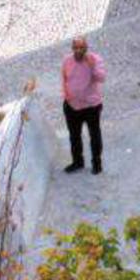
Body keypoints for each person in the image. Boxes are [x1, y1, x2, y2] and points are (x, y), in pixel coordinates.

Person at [60, 36, 105, 175]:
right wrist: (66, 95)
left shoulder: (95, 59)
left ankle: (96, 163)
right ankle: (77, 162)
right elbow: (64, 78)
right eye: (76, 48)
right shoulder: (67, 61)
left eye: (81, 48)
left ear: (86, 48)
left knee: (94, 135)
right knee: (74, 136)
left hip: (91, 106)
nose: (78, 51)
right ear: (72, 49)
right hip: (72, 106)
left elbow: (101, 78)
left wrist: (92, 66)